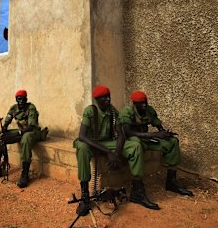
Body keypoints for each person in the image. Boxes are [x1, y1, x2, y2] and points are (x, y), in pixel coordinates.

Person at [74, 85, 159, 215]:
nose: (108, 100)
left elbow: (121, 135)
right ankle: (85, 196)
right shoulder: (90, 111)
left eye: (109, 97)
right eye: (104, 98)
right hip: (92, 143)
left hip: (108, 143)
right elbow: (82, 136)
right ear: (97, 100)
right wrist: (109, 152)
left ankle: (137, 191)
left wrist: (117, 154)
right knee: (82, 148)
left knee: (135, 145)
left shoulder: (113, 111)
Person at [119, 90, 193, 203]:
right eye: (141, 103)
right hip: (132, 140)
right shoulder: (127, 112)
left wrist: (165, 133)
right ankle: (137, 192)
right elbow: (127, 132)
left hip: (147, 139)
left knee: (172, 142)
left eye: (145, 102)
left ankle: (171, 182)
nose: (144, 105)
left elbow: (159, 126)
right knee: (136, 145)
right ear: (134, 103)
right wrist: (153, 134)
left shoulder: (149, 110)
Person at [0, 89, 46, 188]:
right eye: (18, 99)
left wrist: (17, 133)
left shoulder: (31, 107)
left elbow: (30, 126)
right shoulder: (14, 108)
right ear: (16, 99)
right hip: (21, 132)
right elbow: (7, 120)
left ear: (26, 99)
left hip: (33, 132)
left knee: (25, 139)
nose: (21, 101)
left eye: (23, 99)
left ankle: (25, 174)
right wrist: (4, 129)